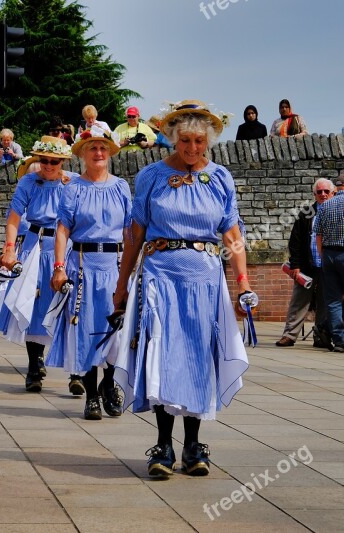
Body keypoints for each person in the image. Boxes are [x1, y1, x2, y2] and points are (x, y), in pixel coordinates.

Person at [112, 100, 253, 478]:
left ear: (209, 140)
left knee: (197, 355)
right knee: (161, 353)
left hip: (206, 279)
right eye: (186, 140)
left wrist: (242, 282)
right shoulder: (151, 176)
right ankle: (163, 445)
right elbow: (136, 234)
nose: (192, 149)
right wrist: (122, 284)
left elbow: (233, 235)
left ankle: (193, 446)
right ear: (173, 137)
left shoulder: (221, 177)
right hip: (160, 276)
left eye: (199, 141)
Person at [48, 129, 130, 417]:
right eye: (92, 148)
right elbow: (62, 229)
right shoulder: (73, 188)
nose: (98, 153)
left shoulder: (121, 187)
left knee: (115, 330)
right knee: (85, 329)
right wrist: (59, 268)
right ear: (82, 154)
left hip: (115, 266)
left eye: (103, 148)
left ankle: (109, 384)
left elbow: (130, 230)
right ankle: (91, 395)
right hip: (83, 265)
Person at [0, 135, 75, 393]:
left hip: (66, 247)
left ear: (62, 161)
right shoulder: (28, 182)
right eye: (44, 160)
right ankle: (33, 367)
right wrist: (9, 250)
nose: (49, 165)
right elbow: (14, 217)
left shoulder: (72, 183)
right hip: (36, 246)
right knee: (34, 303)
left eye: (54, 161)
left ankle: (77, 372)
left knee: (71, 307)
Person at [275, 179, 334, 349]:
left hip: (328, 267)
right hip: (308, 266)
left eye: (326, 192)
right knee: (299, 301)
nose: (323, 194)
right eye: (319, 192)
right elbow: (296, 241)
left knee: (325, 302)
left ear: (332, 193)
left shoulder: (338, 212)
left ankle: (321, 338)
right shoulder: (307, 213)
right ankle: (289, 335)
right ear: (314, 194)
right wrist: (295, 264)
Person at [313, 178, 344, 353]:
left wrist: (322, 254)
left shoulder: (325, 206)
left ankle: (339, 341)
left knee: (332, 300)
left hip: (329, 254)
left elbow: (318, 234)